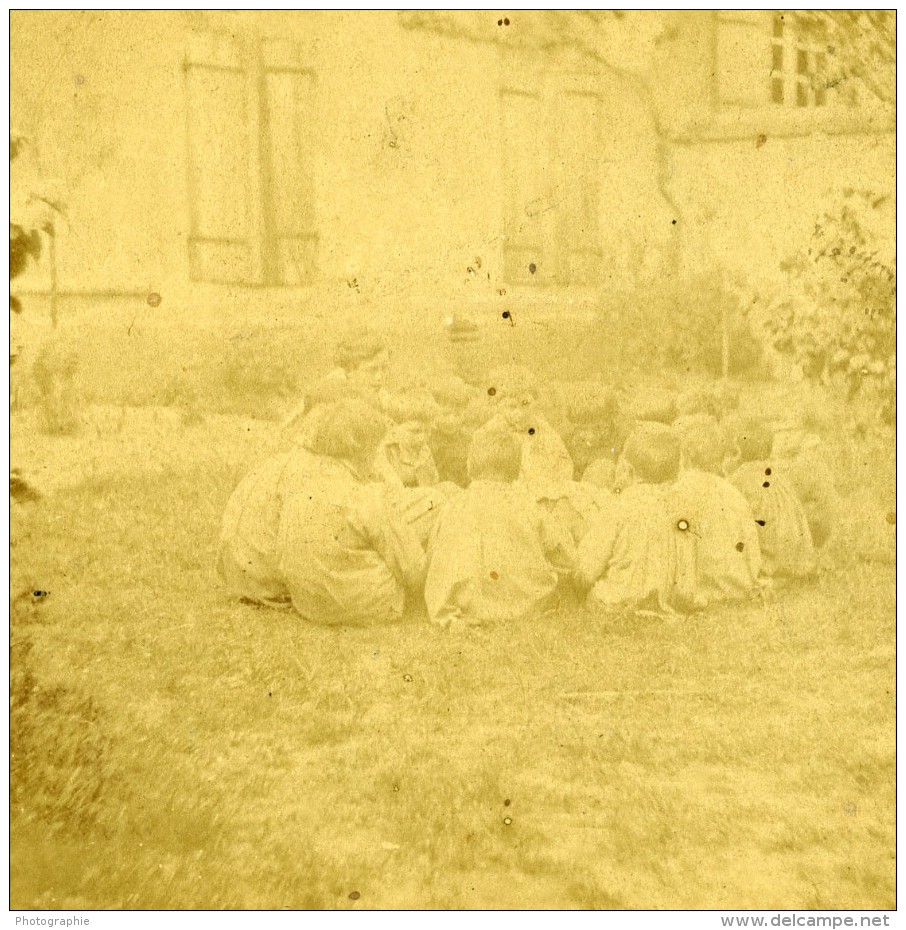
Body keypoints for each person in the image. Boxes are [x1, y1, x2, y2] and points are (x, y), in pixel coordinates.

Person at [277, 400, 427, 626]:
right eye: (376, 449)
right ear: (363, 449)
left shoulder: (300, 486)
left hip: (307, 604)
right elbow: (413, 571)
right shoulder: (367, 496)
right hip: (366, 605)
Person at [424, 429, 575, 629]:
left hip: (469, 607)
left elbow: (432, 559)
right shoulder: (527, 504)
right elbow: (566, 558)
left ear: (471, 464)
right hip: (526, 606)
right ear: (516, 468)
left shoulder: (453, 506)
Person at [577, 423, 687, 613]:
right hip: (659, 603)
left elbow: (587, 572)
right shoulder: (680, 509)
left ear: (627, 470)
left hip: (612, 604)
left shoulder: (617, 506)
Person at [669, 414, 761, 609]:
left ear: (684, 455)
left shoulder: (680, 492)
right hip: (740, 588)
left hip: (707, 593)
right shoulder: (733, 492)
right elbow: (753, 554)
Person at [727, 420, 816, 581]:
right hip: (797, 559)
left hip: (770, 564)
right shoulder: (779, 473)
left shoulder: (740, 478)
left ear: (740, 450)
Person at [282, 329, 389, 446]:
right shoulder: (332, 392)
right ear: (350, 369)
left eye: (383, 369)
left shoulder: (372, 389)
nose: (380, 377)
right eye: (372, 370)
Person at [474, 364, 574, 488]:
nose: (519, 412)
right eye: (511, 406)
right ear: (499, 407)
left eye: (525, 404)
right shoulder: (492, 431)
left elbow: (564, 463)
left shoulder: (541, 427)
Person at [374, 388, 441, 488]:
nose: (422, 438)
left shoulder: (424, 451)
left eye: (427, 431)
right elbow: (394, 490)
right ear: (393, 426)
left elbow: (434, 482)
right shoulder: (387, 452)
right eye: (414, 431)